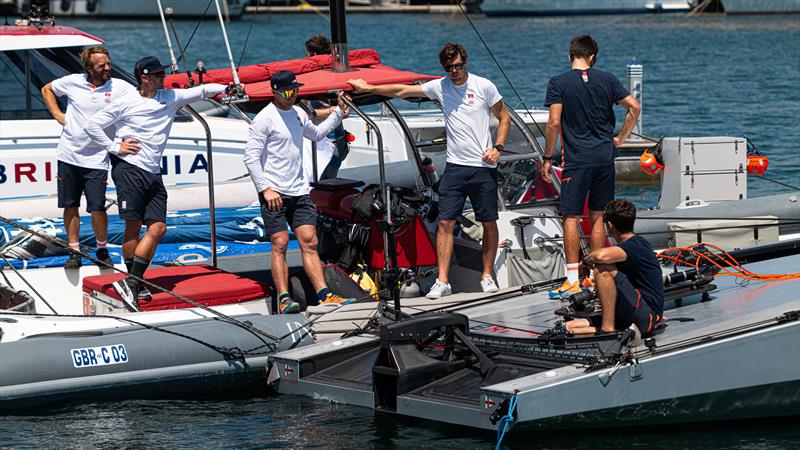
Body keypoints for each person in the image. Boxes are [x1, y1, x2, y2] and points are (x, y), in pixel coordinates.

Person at [347, 42, 511, 299]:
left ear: (465, 62)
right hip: (456, 168)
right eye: (450, 68)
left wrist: (498, 148)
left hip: (483, 167)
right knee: (445, 222)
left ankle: (487, 275)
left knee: (488, 223)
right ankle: (443, 280)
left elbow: (504, 117)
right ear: (444, 68)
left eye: (458, 66)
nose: (455, 71)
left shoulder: (484, 86)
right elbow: (402, 90)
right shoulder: (440, 87)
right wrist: (369, 88)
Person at [84, 56, 234, 307]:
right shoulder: (125, 102)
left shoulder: (170, 97)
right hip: (128, 168)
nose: (162, 78)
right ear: (144, 77)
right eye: (157, 75)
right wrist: (114, 146)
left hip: (153, 172)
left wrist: (227, 88)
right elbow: (92, 126)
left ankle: (132, 281)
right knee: (132, 227)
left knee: (158, 228)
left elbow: (202, 91)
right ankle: (137, 283)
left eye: (162, 74)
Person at [243, 70, 353, 314]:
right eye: (288, 92)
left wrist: (337, 112)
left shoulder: (298, 113)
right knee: (280, 243)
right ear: (276, 91)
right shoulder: (264, 119)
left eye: (296, 91)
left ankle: (324, 294)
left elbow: (316, 134)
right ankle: (283, 297)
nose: (293, 95)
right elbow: (250, 158)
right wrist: (265, 189)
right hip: (274, 192)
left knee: (310, 241)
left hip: (299, 190)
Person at [540, 34, 641, 299]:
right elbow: (634, 107)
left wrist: (548, 157)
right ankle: (597, 275)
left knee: (570, 217)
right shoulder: (607, 79)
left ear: (570, 55)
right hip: (604, 158)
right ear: (593, 56)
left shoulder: (558, 82)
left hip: (576, 160)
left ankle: (573, 279)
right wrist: (621, 138)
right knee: (598, 216)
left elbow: (553, 123)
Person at [41, 46, 137, 269]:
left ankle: (101, 249)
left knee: (97, 207)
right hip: (69, 155)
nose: (107, 68)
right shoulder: (73, 82)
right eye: (101, 65)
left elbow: (142, 100)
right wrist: (57, 115)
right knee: (70, 205)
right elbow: (47, 89)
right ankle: (74, 251)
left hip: (97, 159)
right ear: (88, 67)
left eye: (109, 63)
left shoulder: (120, 87)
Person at [565, 200, 664, 336]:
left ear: (610, 225)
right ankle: (607, 329)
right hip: (630, 310)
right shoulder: (632, 246)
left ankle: (607, 329)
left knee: (602, 268)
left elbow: (599, 256)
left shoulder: (635, 245)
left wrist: (584, 263)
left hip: (647, 315)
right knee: (570, 326)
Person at [304, 33, 349, 179]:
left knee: (323, 184)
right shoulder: (338, 75)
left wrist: (314, 113)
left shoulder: (325, 80)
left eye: (307, 55)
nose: (305, 58)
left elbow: (345, 111)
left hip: (330, 142)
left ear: (314, 54)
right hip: (333, 140)